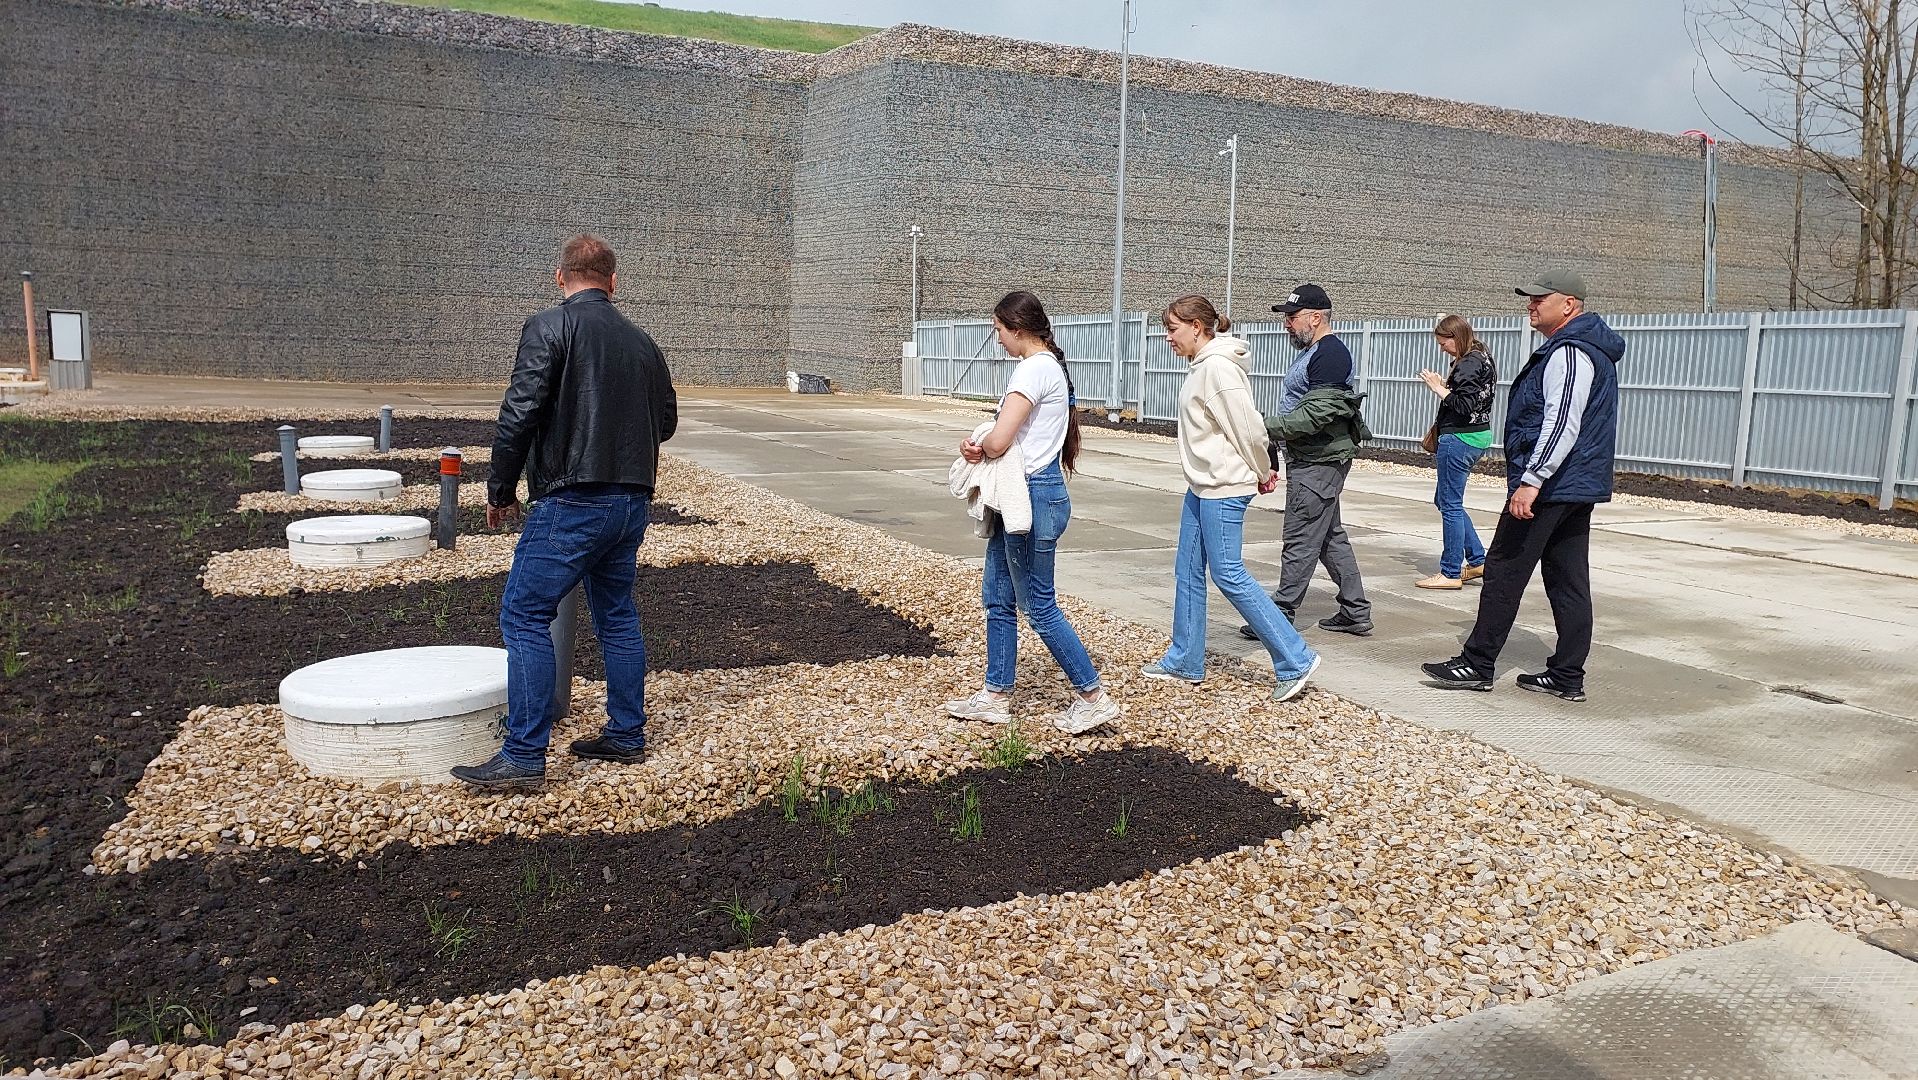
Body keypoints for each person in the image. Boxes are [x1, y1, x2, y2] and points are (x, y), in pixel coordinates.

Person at [452, 234, 678, 789]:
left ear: (561, 277)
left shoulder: (550, 326)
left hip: (573, 499)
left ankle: (524, 756)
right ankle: (626, 734)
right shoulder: (643, 343)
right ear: (613, 281)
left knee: (524, 613)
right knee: (617, 615)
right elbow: (665, 424)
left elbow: (519, 412)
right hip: (631, 500)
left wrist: (500, 489)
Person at [1421, 271, 1624, 702]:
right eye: (1529, 299)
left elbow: (1562, 420)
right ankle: (1567, 676)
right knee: (1568, 579)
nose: (1530, 305)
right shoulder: (1582, 348)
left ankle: (1477, 663)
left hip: (1552, 484)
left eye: (1539, 299)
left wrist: (1532, 480)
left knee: (1504, 569)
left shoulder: (1571, 352)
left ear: (1568, 304)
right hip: (1573, 484)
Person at [943, 291, 1120, 736]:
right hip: (1029, 496)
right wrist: (983, 445)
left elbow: (1001, 441)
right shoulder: (1050, 368)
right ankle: (995, 695)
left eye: (998, 331)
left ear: (1016, 329)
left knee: (1038, 605)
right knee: (998, 597)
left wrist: (978, 446)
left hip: (1033, 500)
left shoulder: (1033, 369)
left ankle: (1093, 696)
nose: (998, 340)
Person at [1142, 294, 1321, 701]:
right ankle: (1185, 659)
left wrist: (1264, 470)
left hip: (1224, 485)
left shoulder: (1218, 369)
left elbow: (1249, 429)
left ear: (1197, 327)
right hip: (1202, 485)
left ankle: (1295, 658)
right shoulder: (1203, 366)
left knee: (1228, 573)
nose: (1168, 337)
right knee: (1187, 570)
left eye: (1172, 329)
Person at [1240, 283, 1373, 639]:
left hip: (1318, 460)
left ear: (1315, 318)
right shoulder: (1316, 351)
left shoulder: (1330, 355)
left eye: (1292, 316)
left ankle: (1280, 613)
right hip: (1313, 457)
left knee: (1300, 536)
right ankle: (1355, 611)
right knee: (1330, 537)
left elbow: (1316, 416)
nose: (1286, 323)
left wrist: (1262, 427)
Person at [1415, 315, 1499, 589]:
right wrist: (1446, 385)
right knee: (1445, 500)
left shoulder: (1469, 362)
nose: (1442, 349)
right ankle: (1477, 560)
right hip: (1475, 435)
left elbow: (1464, 405)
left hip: (1460, 438)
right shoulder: (1482, 354)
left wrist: (1438, 388)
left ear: (1455, 337)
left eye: (1443, 343)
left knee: (1450, 504)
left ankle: (1450, 572)